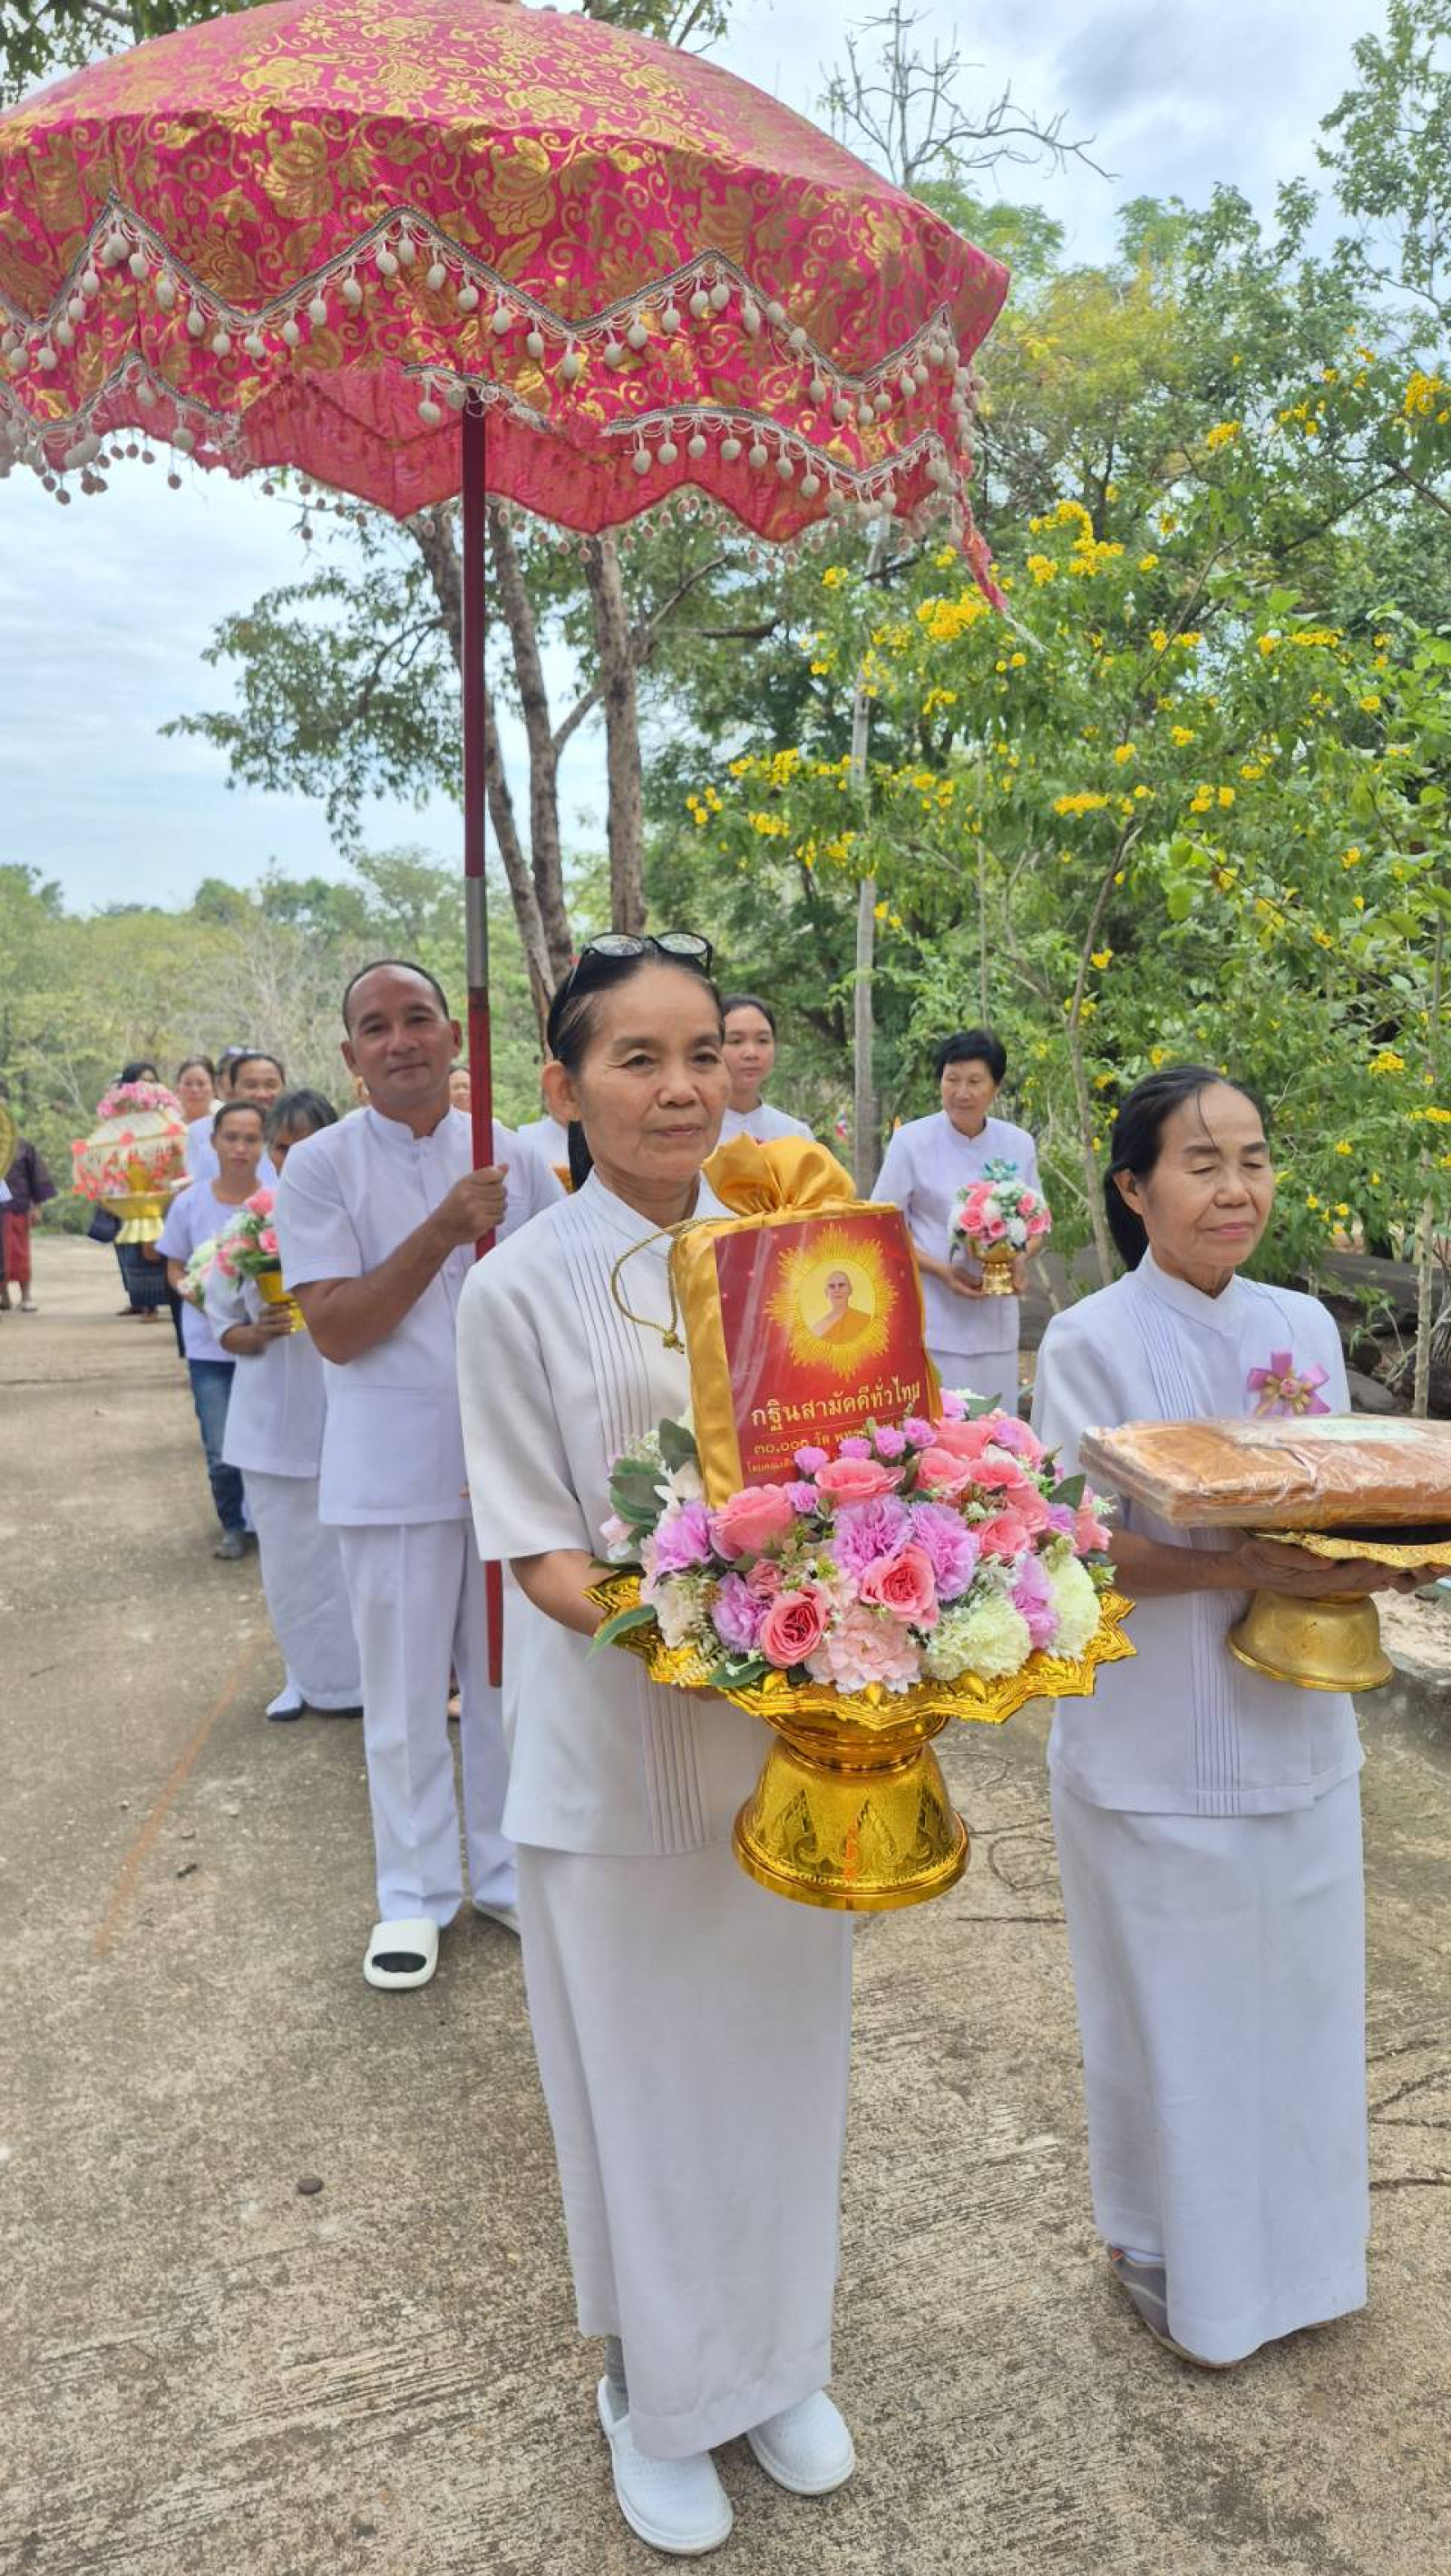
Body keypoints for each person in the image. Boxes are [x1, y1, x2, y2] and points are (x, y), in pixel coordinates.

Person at [457, 933, 856, 2558]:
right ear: (566, 1088)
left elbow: (857, 1468)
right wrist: (704, 1637)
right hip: (618, 1753)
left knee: (778, 2069)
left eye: (704, 1053)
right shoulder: (518, 1287)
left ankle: (774, 2365)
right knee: (633, 2085)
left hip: (791, 1751)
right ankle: (655, 2387)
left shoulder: (794, 1249)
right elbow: (543, 1551)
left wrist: (849, 1630)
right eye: (637, 1058)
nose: (681, 1086)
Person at [1031, 1065, 1434, 2371]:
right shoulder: (1089, 1339)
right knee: (1174, 2015)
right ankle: (1167, 2256)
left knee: (1302, 2006)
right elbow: (1067, 1550)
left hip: (1297, 1720)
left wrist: (1385, 1559)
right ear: (1135, 1187)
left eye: (1253, 1157)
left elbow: (1334, 1493)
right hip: (1151, 1733)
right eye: (1199, 1162)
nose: (1235, 1186)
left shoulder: (1303, 1327)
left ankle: (1305, 2268)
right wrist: (1230, 1567)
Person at [274, 958, 560, 1992]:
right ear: (351, 1058)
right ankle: (412, 1897)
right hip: (389, 1474)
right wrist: (443, 1227)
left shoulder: (517, 1158)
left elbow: (544, 1315)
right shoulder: (317, 1168)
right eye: (376, 1027)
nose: (401, 1040)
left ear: (453, 1039)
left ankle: (504, 1873)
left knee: (501, 1689)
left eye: (418, 1019)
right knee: (401, 1699)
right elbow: (339, 1331)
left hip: (503, 1471)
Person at [207, 1089, 362, 1723]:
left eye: (306, 1144)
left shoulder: (359, 1216)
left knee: (351, 1563)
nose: (293, 1157)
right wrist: (261, 1328)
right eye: (282, 1146)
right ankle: (302, 1677)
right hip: (270, 1424)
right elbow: (224, 1328)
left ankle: (361, 1678)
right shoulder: (246, 1226)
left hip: (344, 1419)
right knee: (292, 1564)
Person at [872, 1026, 1038, 1414]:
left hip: (995, 1312)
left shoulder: (1017, 1143)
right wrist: (941, 1270)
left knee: (996, 1426)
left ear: (996, 1086)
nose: (962, 1092)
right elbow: (882, 1228)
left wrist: (1019, 1258)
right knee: (940, 1426)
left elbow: (1036, 1223)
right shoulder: (911, 1142)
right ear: (940, 1082)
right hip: (934, 1315)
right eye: (952, 1079)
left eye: (975, 1081)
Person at [157, 1101, 268, 1558]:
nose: (240, 1149)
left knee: (266, 1440)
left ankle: (267, 1520)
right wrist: (207, 1303)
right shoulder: (189, 1203)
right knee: (220, 1445)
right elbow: (174, 1268)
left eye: (251, 1139)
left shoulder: (274, 1200)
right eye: (231, 1138)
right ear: (214, 1142)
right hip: (210, 1347)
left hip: (266, 1342)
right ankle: (234, 1524)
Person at [109, 1059, 171, 1321]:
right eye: (141, 1080)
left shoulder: (167, 1112)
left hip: (158, 1185)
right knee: (128, 1246)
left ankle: (156, 1302)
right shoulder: (118, 1114)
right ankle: (139, 1300)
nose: (147, 1085)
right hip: (127, 1184)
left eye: (151, 1079)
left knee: (156, 1243)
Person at [718, 993, 813, 1144]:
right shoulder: (689, 1133)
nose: (751, 1053)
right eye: (736, 1041)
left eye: (762, 1040)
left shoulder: (796, 1135)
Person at [186, 1053, 282, 1187]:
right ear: (232, 1090)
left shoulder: (296, 1138)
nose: (262, 1094)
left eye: (271, 1085)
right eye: (251, 1085)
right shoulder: (204, 1138)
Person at [0, 1102, 57, 1314]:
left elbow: (36, 1177)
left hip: (18, 1208)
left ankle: (26, 1296)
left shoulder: (22, 1146)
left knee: (20, 1254)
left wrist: (37, 1206)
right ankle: (4, 1296)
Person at [174, 1056, 219, 1125]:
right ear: (177, 1089)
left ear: (214, 1089)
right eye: (188, 1084)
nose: (194, 1090)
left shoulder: (225, 1128)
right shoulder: (166, 1128)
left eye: (201, 1084)